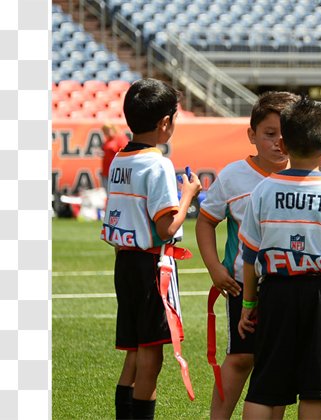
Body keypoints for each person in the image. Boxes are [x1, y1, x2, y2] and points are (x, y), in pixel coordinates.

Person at [237, 97, 321, 420]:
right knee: (316, 387)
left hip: (275, 294)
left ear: (283, 143)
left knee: (266, 386)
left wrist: (249, 305)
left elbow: (250, 256)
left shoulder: (264, 190)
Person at [101, 78, 202, 419]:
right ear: (165, 123)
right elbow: (165, 228)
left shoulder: (119, 160)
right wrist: (188, 195)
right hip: (152, 267)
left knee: (133, 348)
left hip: (124, 263)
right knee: (151, 354)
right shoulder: (157, 163)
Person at [195, 91, 299, 420]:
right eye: (270, 134)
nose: (279, 142)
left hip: (289, 287)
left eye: (287, 134)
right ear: (252, 135)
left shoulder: (306, 173)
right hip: (244, 285)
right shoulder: (233, 176)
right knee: (241, 358)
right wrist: (214, 268)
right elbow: (205, 222)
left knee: (279, 361)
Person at [100, 122, 130, 191]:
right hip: (107, 171)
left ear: (112, 129)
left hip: (117, 172)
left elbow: (126, 152)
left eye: (107, 130)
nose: (106, 132)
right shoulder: (108, 140)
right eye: (105, 131)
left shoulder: (120, 138)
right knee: (109, 195)